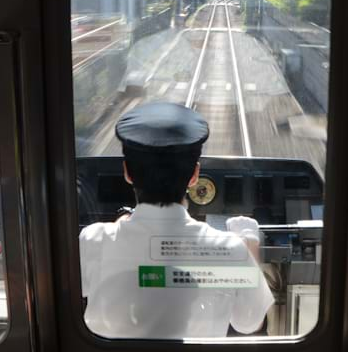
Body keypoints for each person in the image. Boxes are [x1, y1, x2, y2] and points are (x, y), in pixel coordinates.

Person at [79, 102, 274, 339]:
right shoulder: (230, 250)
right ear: (194, 176)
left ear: (127, 172)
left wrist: (119, 226)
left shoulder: (93, 240)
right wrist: (249, 241)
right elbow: (250, 322)